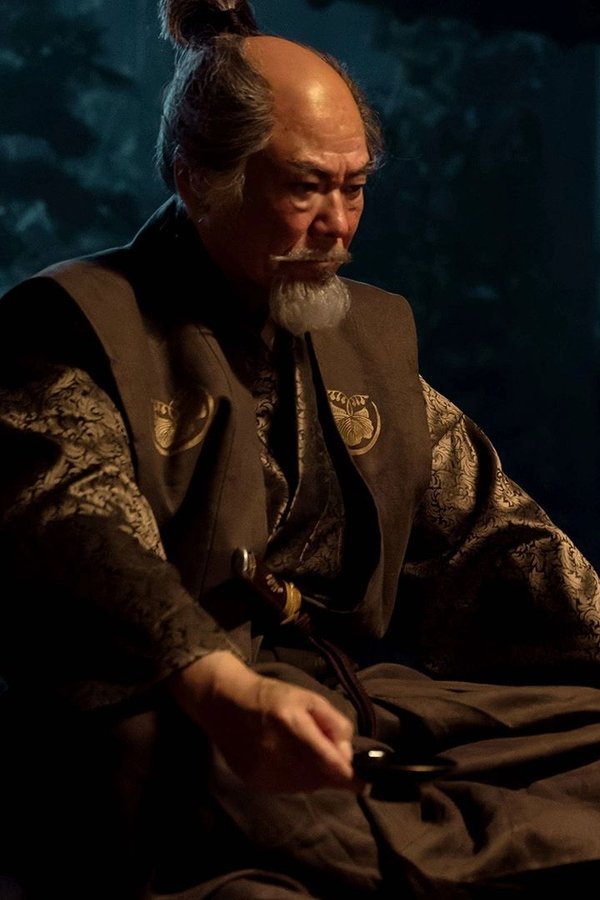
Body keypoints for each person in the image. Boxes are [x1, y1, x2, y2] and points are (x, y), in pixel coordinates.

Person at [2, 1, 600, 897]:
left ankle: (417, 839)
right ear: (197, 177)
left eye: (355, 188)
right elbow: (82, 537)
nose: (339, 225)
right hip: (183, 718)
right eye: (306, 187)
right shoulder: (74, 331)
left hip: (346, 709)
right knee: (206, 785)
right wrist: (225, 688)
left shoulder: (363, 340)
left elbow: (493, 535)